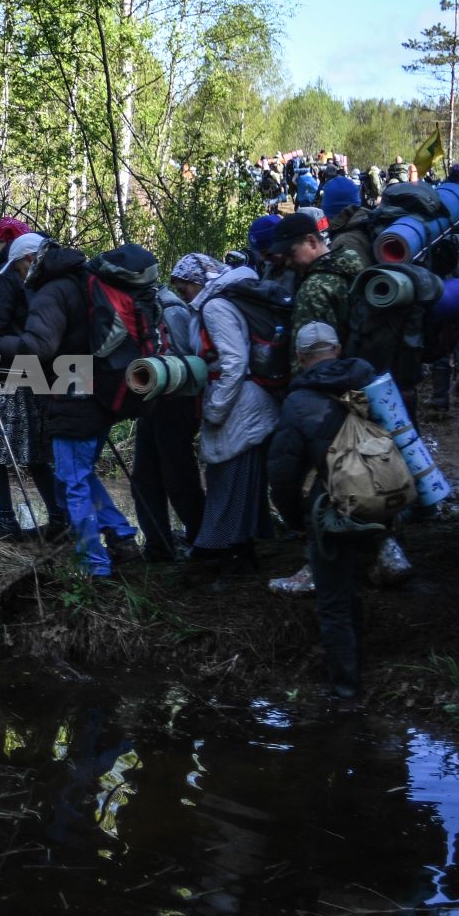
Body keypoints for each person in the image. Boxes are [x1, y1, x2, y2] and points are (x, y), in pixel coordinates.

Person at [0, 238, 139, 578]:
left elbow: (38, 345)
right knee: (80, 474)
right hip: (102, 389)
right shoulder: (85, 278)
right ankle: (123, 537)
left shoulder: (52, 292)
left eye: (19, 267)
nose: (19, 275)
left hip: (72, 395)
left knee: (71, 481)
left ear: (30, 258)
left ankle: (94, 565)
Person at [266, 323, 379, 700]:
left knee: (332, 602)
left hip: (329, 510)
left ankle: (345, 692)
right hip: (379, 504)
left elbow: (282, 473)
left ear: (300, 358)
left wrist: (296, 521)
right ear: (339, 347)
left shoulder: (298, 402)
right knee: (353, 587)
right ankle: (360, 664)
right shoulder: (373, 383)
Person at [0, 227, 69, 541]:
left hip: (8, 368)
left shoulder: (6, 273)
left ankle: (8, 521)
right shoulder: (56, 278)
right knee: (37, 449)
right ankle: (58, 517)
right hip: (46, 370)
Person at [187, 260, 281, 571]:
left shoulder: (214, 308)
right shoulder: (214, 304)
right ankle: (237, 551)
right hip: (241, 402)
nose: (181, 290)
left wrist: (215, 410)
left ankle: (222, 550)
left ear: (199, 280)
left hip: (238, 404)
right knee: (235, 481)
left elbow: (234, 361)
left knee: (230, 481)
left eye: (183, 283)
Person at [130, 254, 217, 560]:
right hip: (153, 401)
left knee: (178, 477)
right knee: (144, 476)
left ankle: (204, 540)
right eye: (178, 287)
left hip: (176, 403)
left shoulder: (172, 310)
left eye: (186, 287)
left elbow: (187, 360)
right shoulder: (151, 303)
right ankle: (158, 546)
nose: (182, 292)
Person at [264, 214, 362, 339]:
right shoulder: (351, 258)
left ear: (311, 242)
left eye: (291, 253)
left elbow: (308, 353)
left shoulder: (312, 290)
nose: (288, 262)